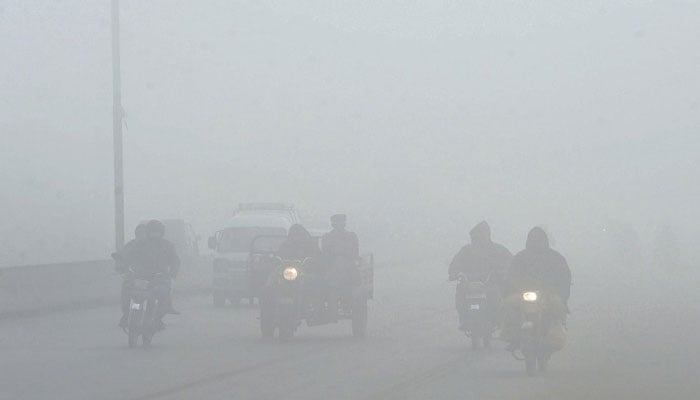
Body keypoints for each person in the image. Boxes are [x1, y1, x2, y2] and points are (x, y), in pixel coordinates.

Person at [502, 227, 572, 351]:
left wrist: (560, 294)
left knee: (557, 304)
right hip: (522, 295)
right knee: (507, 304)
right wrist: (510, 288)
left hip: (548, 295)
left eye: (539, 240)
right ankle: (510, 334)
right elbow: (510, 276)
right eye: (533, 240)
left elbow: (565, 277)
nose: (536, 243)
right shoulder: (520, 257)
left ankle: (557, 332)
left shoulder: (555, 258)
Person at [448, 221, 512, 330]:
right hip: (468, 286)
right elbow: (455, 264)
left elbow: (511, 263)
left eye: (481, 236)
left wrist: (503, 273)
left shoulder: (498, 250)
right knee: (460, 297)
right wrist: (454, 273)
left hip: (490, 284)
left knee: (496, 297)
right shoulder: (466, 251)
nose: (479, 239)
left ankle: (495, 319)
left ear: (487, 235)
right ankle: (464, 318)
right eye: (476, 237)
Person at [118, 220, 180, 330]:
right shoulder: (139, 244)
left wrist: (173, 272)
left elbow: (175, 260)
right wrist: (122, 266)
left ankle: (157, 319)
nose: (154, 234)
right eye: (152, 232)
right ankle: (127, 314)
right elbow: (128, 255)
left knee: (163, 296)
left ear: (162, 232)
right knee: (130, 292)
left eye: (157, 232)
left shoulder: (167, 246)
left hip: (160, 278)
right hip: (141, 277)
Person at [321, 214, 360, 319]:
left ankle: (346, 302)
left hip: (348, 267)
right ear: (333, 224)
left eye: (341, 223)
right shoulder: (327, 237)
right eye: (337, 223)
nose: (339, 225)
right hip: (332, 267)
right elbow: (325, 253)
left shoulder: (351, 236)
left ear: (344, 224)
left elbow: (354, 253)